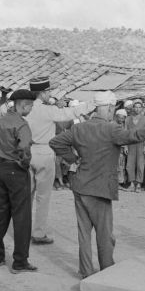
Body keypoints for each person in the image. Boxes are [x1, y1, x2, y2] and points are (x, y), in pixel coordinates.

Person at [49, 91, 145, 279]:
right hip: (100, 187)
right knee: (104, 233)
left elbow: (55, 142)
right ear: (108, 107)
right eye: (112, 108)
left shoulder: (79, 128)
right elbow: (138, 135)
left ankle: (85, 270)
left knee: (84, 233)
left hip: (80, 184)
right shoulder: (111, 129)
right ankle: (107, 270)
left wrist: (74, 159)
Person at [0, 89, 38, 273]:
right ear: (23, 105)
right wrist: (23, 164)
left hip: (1, 170)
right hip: (17, 172)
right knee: (22, 217)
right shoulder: (22, 125)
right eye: (31, 106)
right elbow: (24, 149)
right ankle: (19, 262)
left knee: (0, 214)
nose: (31, 109)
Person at [26, 77, 95, 244]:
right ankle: (38, 233)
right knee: (43, 197)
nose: (49, 94)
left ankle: (23, 230)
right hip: (44, 151)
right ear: (42, 93)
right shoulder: (48, 110)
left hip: (26, 152)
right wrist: (91, 104)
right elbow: (69, 113)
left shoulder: (26, 108)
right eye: (48, 91)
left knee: (26, 195)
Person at [125, 99, 145, 192]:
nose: (137, 109)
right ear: (133, 108)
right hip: (131, 143)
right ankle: (131, 183)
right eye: (136, 107)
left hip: (141, 143)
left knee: (140, 164)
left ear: (142, 108)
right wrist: (126, 146)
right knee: (130, 164)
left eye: (139, 107)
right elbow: (126, 133)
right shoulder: (128, 119)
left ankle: (138, 184)